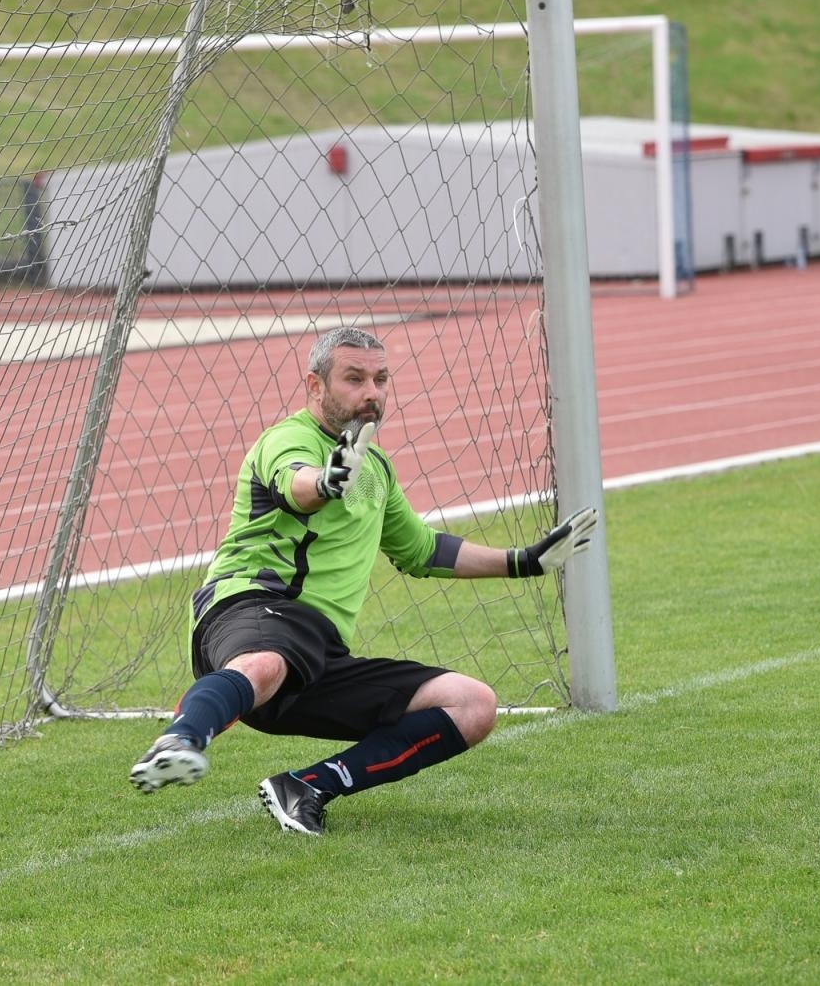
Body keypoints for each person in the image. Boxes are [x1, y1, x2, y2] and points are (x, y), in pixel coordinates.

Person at [128, 325, 597, 835]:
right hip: (249, 607)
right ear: (315, 385)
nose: (371, 392)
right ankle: (180, 739)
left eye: (380, 379)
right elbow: (295, 483)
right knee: (266, 659)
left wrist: (524, 561)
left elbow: (422, 549)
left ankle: (306, 788)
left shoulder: (375, 469)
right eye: (354, 379)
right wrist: (326, 480)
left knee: (472, 704)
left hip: (316, 655)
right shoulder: (288, 439)